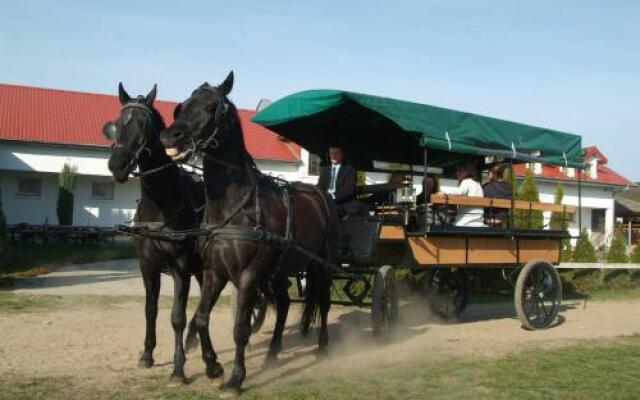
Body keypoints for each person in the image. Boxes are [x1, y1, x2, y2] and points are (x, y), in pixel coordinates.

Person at [317, 146, 357, 216]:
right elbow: (320, 186)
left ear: (342, 155)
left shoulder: (349, 169)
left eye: (336, 153)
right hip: (326, 200)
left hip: (342, 202)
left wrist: (332, 196)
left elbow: (349, 189)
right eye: (331, 154)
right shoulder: (324, 170)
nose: (334, 156)